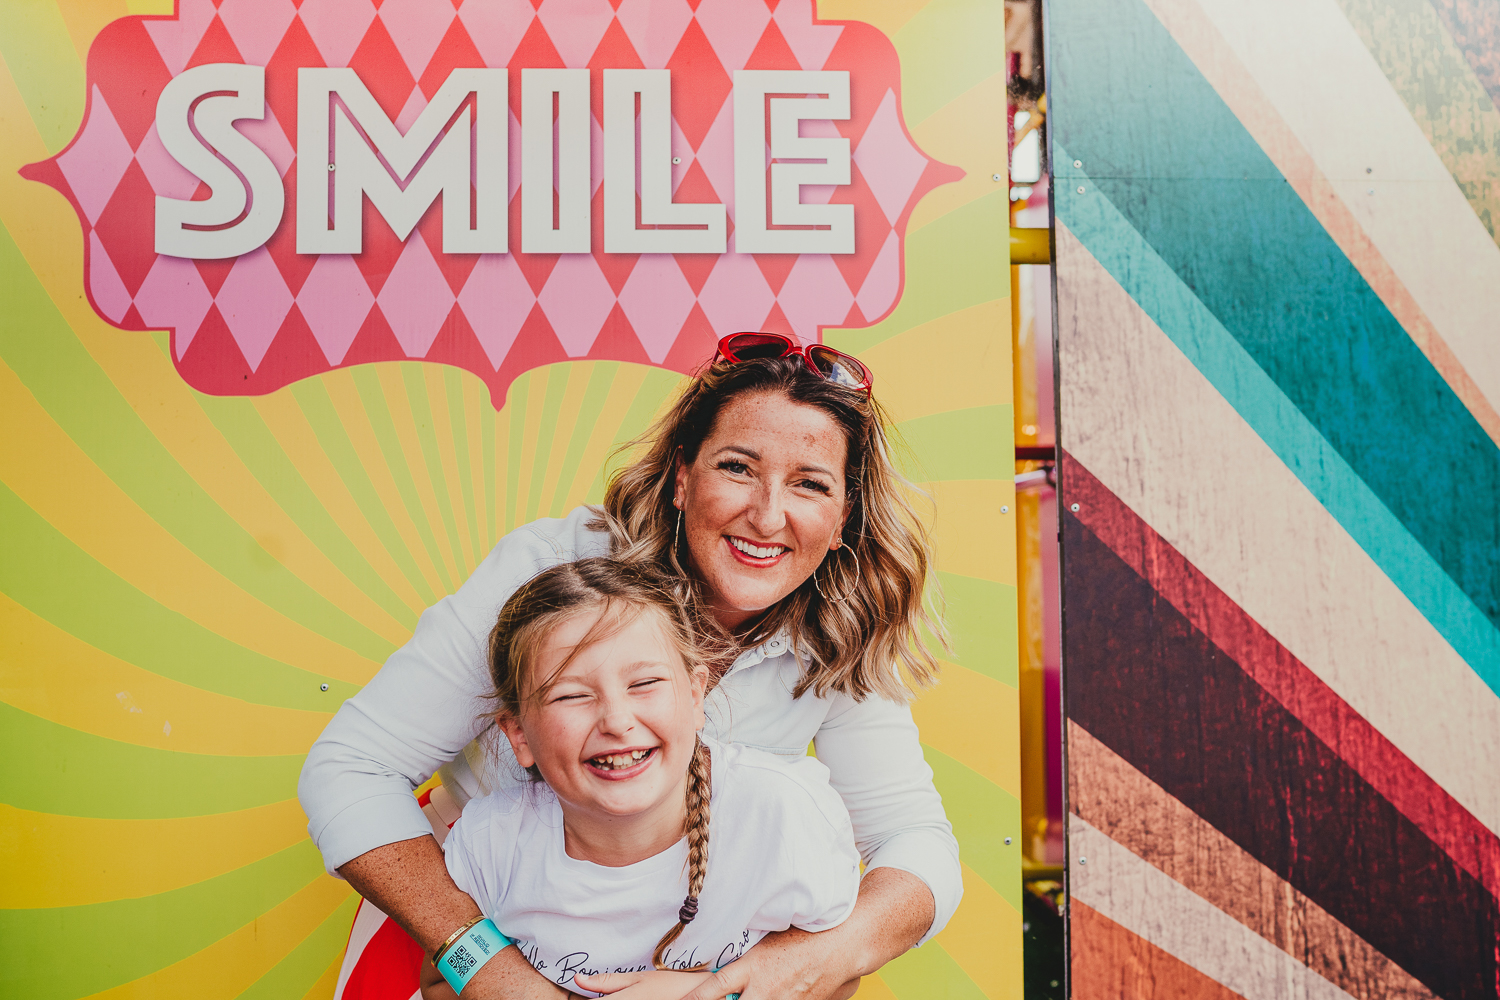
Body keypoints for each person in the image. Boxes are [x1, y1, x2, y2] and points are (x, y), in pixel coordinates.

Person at [299, 332, 961, 1000]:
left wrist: (810, 961)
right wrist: (494, 974)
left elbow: (912, 841)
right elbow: (351, 769)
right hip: (464, 933)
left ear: (844, 513)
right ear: (682, 476)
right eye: (737, 468)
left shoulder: (838, 631)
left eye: (809, 484)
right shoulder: (551, 573)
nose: (766, 516)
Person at [420, 558, 862, 1000]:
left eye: (644, 683)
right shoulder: (489, 841)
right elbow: (440, 979)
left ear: (694, 697)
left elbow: (838, 974)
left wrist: (709, 993)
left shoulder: (785, 816)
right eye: (572, 695)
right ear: (519, 735)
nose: (616, 720)